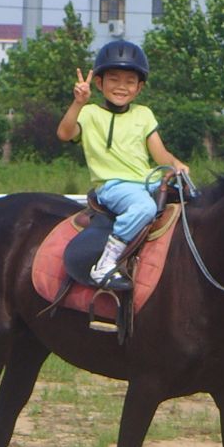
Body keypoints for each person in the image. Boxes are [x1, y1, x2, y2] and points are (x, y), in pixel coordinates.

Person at [56, 40, 190, 290]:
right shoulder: (90, 113)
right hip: (113, 186)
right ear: (99, 83)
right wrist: (78, 103)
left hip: (146, 181)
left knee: (194, 204)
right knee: (144, 208)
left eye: (130, 81)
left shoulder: (144, 114)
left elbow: (160, 154)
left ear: (139, 88)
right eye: (114, 79)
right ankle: (105, 263)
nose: (121, 87)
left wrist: (176, 164)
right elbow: (64, 133)